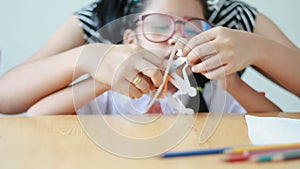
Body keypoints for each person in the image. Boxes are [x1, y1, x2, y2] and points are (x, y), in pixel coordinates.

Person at [0, 0, 290, 115]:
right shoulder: (106, 94)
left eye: (191, 28)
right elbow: (31, 113)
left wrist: (234, 80)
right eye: (159, 27)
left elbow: (274, 119)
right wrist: (98, 75)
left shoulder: (213, 93)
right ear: (128, 40)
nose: (177, 37)